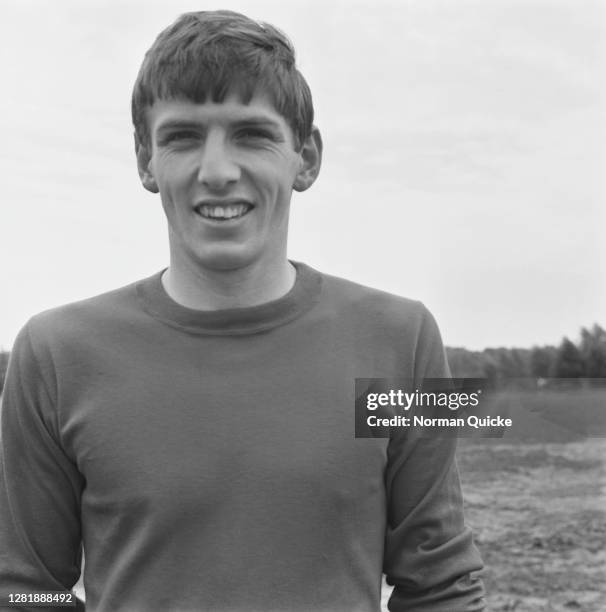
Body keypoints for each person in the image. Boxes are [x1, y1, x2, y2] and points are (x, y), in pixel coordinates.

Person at [0, 10, 485, 612]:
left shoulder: (405, 340)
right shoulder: (53, 354)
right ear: (145, 159)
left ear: (305, 157)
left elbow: (442, 584)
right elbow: (23, 591)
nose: (218, 172)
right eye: (181, 136)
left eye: (251, 134)